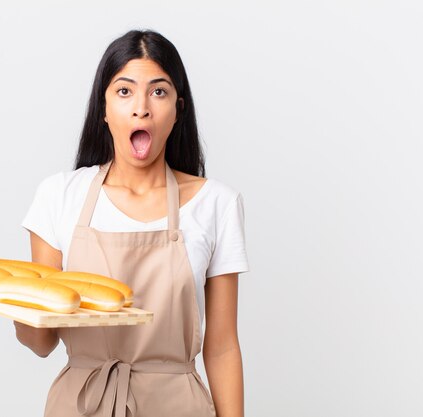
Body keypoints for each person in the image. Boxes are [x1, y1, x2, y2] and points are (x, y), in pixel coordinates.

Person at [17, 29, 249, 417]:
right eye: (124, 91)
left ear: (179, 108)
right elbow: (41, 342)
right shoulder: (59, 196)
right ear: (103, 108)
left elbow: (222, 346)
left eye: (158, 91)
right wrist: (15, 302)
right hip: (81, 404)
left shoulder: (217, 204)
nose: (141, 107)